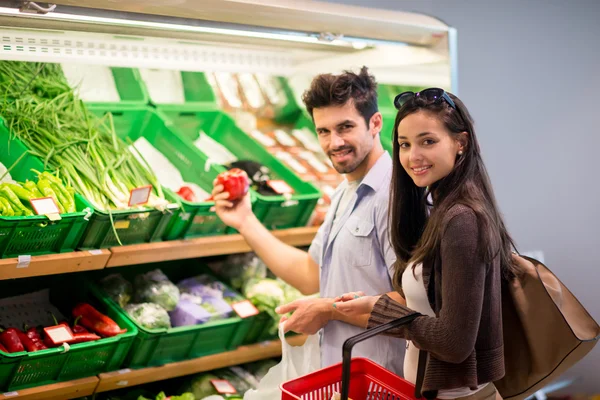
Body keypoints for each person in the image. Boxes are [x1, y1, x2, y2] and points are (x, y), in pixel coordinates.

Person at [279, 88, 513, 400]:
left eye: (428, 141)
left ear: (461, 143)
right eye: (405, 144)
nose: (413, 156)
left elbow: (454, 343)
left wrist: (380, 311)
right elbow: (429, 303)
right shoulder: (442, 209)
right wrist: (368, 305)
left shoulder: (462, 219)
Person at [211, 67, 405, 374]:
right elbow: (309, 275)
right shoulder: (344, 193)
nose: (334, 142)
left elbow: (411, 303)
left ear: (375, 123)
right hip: (342, 375)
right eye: (323, 131)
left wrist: (328, 310)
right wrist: (245, 221)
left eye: (345, 127)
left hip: (383, 378)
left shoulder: (397, 197)